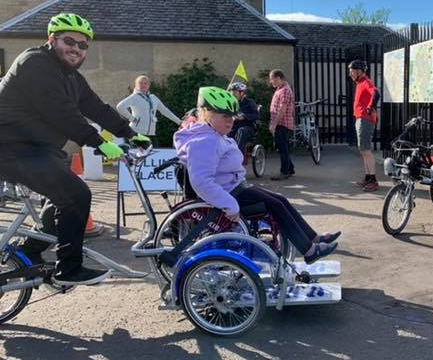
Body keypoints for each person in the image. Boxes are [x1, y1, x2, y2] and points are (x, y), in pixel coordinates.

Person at [0, 13, 151, 285]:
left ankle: (27, 254)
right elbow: (62, 113)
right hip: (10, 148)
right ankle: (68, 270)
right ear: (51, 39)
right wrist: (100, 143)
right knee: (76, 195)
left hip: (39, 151)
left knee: (57, 205)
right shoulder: (35, 63)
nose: (76, 49)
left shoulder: (71, 77)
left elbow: (95, 107)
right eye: (69, 41)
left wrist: (130, 134)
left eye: (83, 45)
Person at [174, 86, 340, 264]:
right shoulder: (205, 141)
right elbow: (201, 182)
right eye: (224, 116)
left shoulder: (214, 134)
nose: (230, 121)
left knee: (280, 200)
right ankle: (309, 251)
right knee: (275, 205)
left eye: (232, 116)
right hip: (228, 194)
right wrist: (229, 205)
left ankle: (313, 239)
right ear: (206, 113)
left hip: (234, 187)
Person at [116, 75, 182, 145]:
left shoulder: (153, 98)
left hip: (151, 134)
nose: (143, 85)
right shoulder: (134, 97)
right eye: (140, 83)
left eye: (145, 83)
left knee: (155, 154)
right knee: (139, 155)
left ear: (149, 85)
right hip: (137, 133)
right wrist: (132, 119)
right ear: (136, 85)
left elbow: (165, 111)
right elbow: (120, 107)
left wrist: (179, 122)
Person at [348, 60, 381, 192]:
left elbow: (376, 93)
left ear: (359, 71)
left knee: (366, 150)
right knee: (363, 150)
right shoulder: (360, 83)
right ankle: (368, 177)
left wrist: (369, 107)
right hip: (360, 118)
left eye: (352, 70)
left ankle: (373, 180)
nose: (350, 73)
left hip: (365, 119)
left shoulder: (366, 82)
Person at [268, 69, 296, 180]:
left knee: (282, 148)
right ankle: (290, 168)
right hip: (280, 124)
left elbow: (282, 110)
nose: (271, 82)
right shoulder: (280, 89)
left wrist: (274, 124)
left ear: (279, 78)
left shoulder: (285, 90)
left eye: (272, 79)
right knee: (282, 147)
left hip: (282, 124)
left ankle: (284, 172)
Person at [226, 82, 260, 163]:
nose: (232, 94)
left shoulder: (249, 103)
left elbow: (256, 115)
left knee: (241, 131)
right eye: (231, 92)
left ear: (242, 93)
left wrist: (244, 116)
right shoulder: (230, 103)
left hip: (248, 128)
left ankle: (236, 157)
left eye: (234, 92)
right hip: (233, 127)